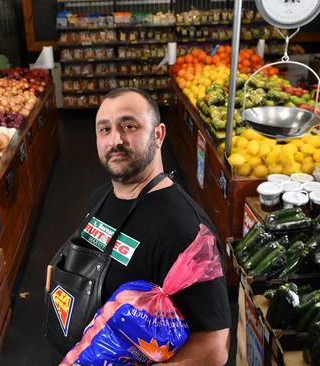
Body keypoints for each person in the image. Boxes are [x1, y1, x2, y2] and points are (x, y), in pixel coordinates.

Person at [45, 88, 231, 365]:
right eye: (104, 129)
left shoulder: (187, 231)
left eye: (129, 126)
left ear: (158, 134)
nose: (115, 139)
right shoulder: (100, 197)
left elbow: (214, 349)